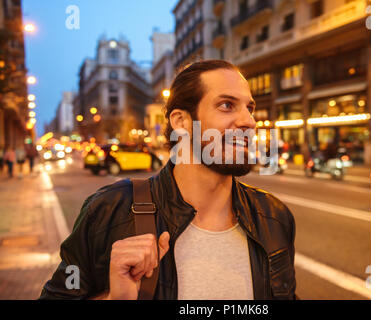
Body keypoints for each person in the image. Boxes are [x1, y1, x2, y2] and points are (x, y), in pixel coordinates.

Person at [39, 60, 297, 300]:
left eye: (249, 108)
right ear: (181, 121)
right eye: (227, 105)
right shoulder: (108, 211)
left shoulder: (274, 217)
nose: (249, 122)